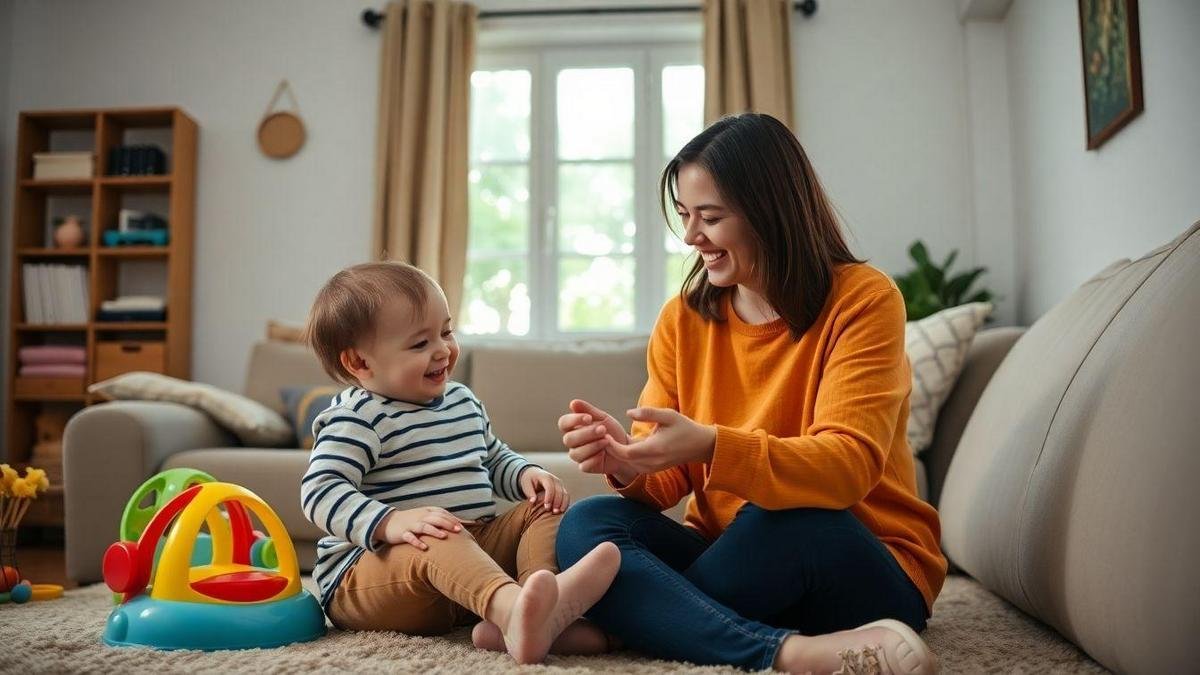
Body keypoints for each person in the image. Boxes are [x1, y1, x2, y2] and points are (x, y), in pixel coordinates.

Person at [555, 113, 946, 674]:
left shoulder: (864, 300)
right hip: (731, 561)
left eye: (710, 218)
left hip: (859, 560)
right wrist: (628, 459)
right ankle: (788, 652)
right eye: (686, 217)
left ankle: (625, 625)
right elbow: (666, 482)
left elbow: (847, 469)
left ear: (771, 212)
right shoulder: (683, 320)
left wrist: (712, 445)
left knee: (786, 518)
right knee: (591, 524)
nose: (691, 238)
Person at [300, 261, 618, 664]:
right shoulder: (357, 418)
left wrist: (524, 474)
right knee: (438, 527)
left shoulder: (462, 401)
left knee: (546, 506)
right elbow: (320, 490)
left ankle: (540, 609)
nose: (443, 350)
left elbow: (493, 456)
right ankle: (513, 611)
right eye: (420, 344)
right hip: (373, 579)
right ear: (360, 364)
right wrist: (391, 522)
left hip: (467, 564)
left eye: (446, 332)